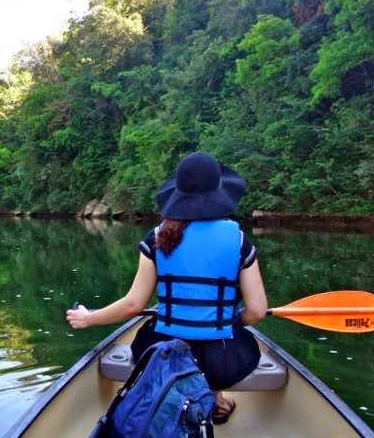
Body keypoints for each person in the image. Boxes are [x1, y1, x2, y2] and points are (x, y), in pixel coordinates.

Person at [66, 151, 268, 424]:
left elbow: (133, 305)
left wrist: (90, 318)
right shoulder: (239, 239)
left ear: (178, 194)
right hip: (223, 361)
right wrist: (233, 321)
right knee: (223, 343)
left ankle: (173, 401)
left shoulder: (158, 237)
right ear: (219, 192)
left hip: (164, 354)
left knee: (167, 348)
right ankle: (216, 401)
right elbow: (256, 311)